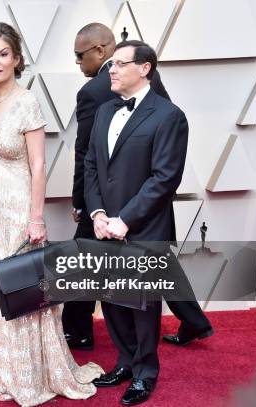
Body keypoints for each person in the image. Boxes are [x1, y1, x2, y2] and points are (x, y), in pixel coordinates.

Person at [0, 22, 103, 406]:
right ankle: (6, 374)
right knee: (3, 288)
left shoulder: (27, 101)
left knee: (24, 289)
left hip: (21, 207)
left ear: (16, 59)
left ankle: (32, 375)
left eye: (2, 54)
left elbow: (40, 165)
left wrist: (36, 218)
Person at [68, 23, 212, 350]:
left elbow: (84, 153)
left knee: (88, 264)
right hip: (145, 204)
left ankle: (80, 330)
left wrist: (84, 204)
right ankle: (192, 321)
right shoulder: (149, 80)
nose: (78, 63)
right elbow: (95, 156)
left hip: (122, 201)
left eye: (80, 55)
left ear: (100, 50)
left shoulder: (91, 92)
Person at [84, 40, 188, 405]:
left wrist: (125, 219)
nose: (110, 70)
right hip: (103, 226)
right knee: (112, 301)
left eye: (119, 64)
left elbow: (164, 178)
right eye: (110, 64)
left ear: (144, 68)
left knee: (142, 305)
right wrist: (97, 213)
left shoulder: (168, 115)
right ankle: (126, 361)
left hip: (144, 228)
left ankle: (145, 372)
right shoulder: (103, 111)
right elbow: (92, 166)